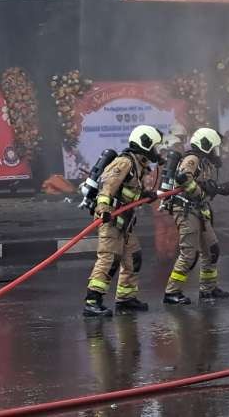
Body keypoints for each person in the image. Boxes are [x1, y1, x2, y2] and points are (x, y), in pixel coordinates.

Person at [83, 125, 162, 317]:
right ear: (145, 143)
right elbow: (107, 187)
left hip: (125, 222)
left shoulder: (139, 164)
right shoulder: (125, 162)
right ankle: (92, 301)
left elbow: (128, 192)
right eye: (154, 146)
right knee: (109, 259)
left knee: (133, 258)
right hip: (110, 219)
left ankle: (126, 298)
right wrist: (104, 210)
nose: (156, 151)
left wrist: (145, 195)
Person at [163, 127, 229, 305]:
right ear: (206, 145)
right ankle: (172, 292)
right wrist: (201, 191)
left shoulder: (203, 162)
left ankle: (208, 289)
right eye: (214, 147)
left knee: (212, 250)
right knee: (189, 254)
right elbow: (183, 178)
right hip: (186, 211)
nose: (215, 152)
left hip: (198, 211)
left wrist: (217, 189)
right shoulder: (192, 159)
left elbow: (203, 185)